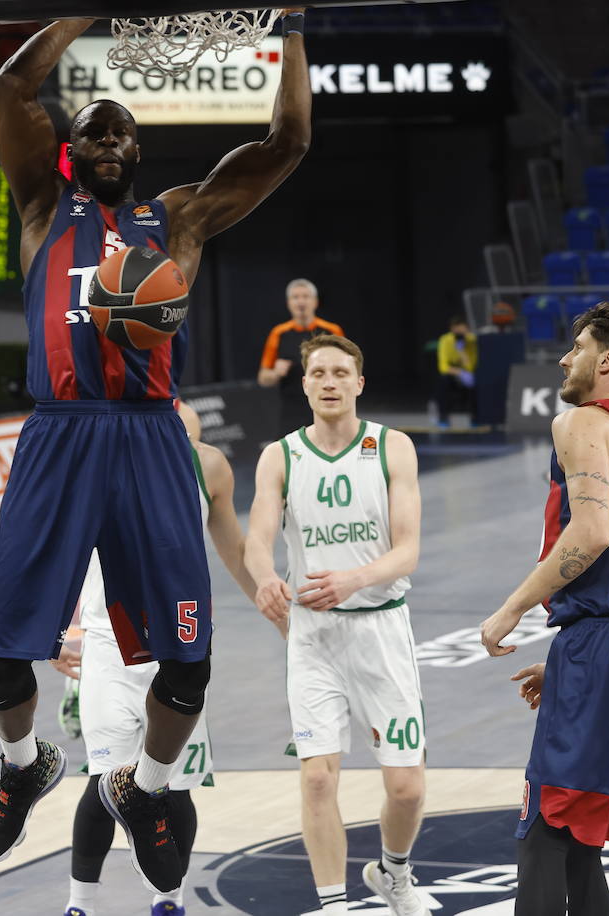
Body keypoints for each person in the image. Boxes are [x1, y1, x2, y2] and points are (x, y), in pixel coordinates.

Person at [0, 11, 311, 895]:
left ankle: (146, 787)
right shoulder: (44, 208)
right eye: (96, 130)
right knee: (4, 651)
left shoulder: (181, 222)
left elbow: (287, 139)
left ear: (141, 152)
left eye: (126, 132)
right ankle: (23, 765)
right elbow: (14, 83)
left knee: (190, 658)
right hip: (59, 432)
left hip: (151, 432)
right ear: (70, 151)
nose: (113, 139)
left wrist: (291, 28)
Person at [480, 302, 609, 915]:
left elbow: (594, 532)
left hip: (606, 646)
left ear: (608, 360)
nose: (566, 358)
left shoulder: (581, 423)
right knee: (581, 842)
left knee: (543, 831)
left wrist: (513, 607)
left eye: (577, 346)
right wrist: (572, 666)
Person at [53, 401, 259, 916]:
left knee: (176, 785)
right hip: (110, 639)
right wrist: (52, 631)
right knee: (106, 783)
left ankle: (169, 900)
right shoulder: (96, 451)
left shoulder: (205, 461)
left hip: (180, 646)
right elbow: (60, 548)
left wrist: (270, 601)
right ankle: (81, 904)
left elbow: (233, 549)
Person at [245, 334, 427, 916]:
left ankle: (393, 873)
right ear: (303, 384)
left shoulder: (392, 446)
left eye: (339, 372)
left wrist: (353, 578)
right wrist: (265, 577)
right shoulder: (281, 454)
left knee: (407, 789)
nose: (328, 381)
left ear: (358, 383)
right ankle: (332, 906)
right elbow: (256, 539)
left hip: (380, 629)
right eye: (318, 372)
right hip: (315, 637)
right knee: (319, 779)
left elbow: (408, 553)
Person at [257, 279, 344, 432]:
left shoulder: (332, 331)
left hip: (325, 404)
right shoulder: (279, 333)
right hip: (292, 409)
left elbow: (346, 368)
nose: (301, 302)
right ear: (289, 303)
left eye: (305, 296)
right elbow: (263, 378)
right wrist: (276, 373)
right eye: (295, 297)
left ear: (315, 302)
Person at [432, 315, 477, 428]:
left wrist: (462, 350)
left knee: (478, 384)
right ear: (452, 329)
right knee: (443, 381)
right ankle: (443, 418)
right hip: (453, 374)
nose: (458, 332)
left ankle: (476, 418)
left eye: (462, 329)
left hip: (469, 375)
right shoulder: (445, 340)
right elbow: (443, 366)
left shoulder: (472, 341)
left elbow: (470, 366)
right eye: (456, 329)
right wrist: (459, 373)